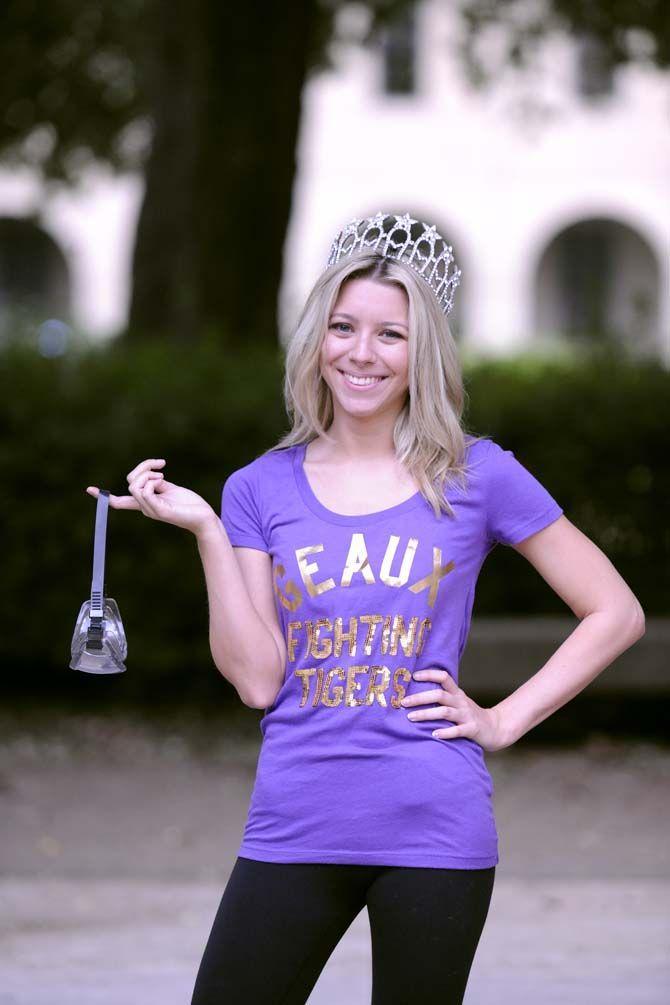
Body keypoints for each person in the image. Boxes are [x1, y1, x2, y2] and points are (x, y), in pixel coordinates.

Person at [86, 212, 646, 1005]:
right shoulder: (257, 489)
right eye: (344, 327)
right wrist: (207, 528)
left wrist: (503, 719)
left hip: (435, 823)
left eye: (390, 334)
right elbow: (255, 681)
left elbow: (615, 612)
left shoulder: (477, 475)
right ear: (317, 339)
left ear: (422, 353)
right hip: (295, 816)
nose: (361, 352)